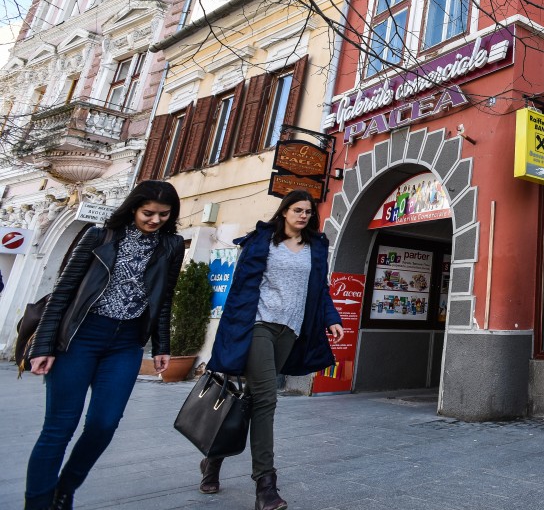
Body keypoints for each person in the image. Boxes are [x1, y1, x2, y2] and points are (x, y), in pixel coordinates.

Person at [24, 180, 186, 510]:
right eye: (148, 213)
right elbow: (64, 292)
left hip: (126, 343)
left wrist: (161, 346)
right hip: (80, 338)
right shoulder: (99, 236)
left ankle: (65, 489)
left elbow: (164, 298)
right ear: (133, 208)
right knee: (59, 427)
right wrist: (43, 345)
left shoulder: (172, 245)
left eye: (164, 214)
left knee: (104, 423)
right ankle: (38, 503)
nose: (155, 220)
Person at [201, 190, 344, 510]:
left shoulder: (315, 247)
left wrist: (331, 318)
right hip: (258, 326)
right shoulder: (262, 241)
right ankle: (265, 485)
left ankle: (213, 459)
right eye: (297, 210)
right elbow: (241, 288)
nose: (303, 215)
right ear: (284, 212)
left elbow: (320, 289)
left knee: (251, 400)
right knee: (266, 398)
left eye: (308, 211)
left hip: (290, 331)